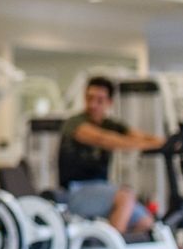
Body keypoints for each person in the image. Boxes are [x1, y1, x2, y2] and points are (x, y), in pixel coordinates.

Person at [58, 76, 165, 234]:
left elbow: (139, 136)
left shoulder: (111, 124)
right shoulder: (74, 123)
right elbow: (105, 139)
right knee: (126, 196)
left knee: (146, 222)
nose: (93, 104)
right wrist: (150, 144)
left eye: (99, 100)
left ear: (109, 102)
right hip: (75, 191)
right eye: (90, 98)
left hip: (102, 187)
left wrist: (169, 143)